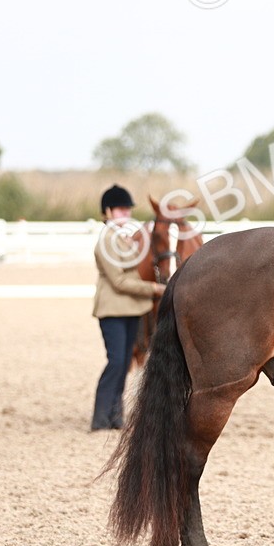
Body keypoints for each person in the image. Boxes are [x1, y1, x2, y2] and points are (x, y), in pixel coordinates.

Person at [91, 185, 165, 431]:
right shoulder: (106, 242)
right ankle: (100, 416)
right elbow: (120, 281)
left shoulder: (123, 240)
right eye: (120, 210)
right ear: (108, 212)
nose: (125, 214)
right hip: (113, 310)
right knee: (116, 362)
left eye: (127, 210)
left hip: (131, 310)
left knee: (124, 364)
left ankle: (115, 417)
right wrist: (154, 289)